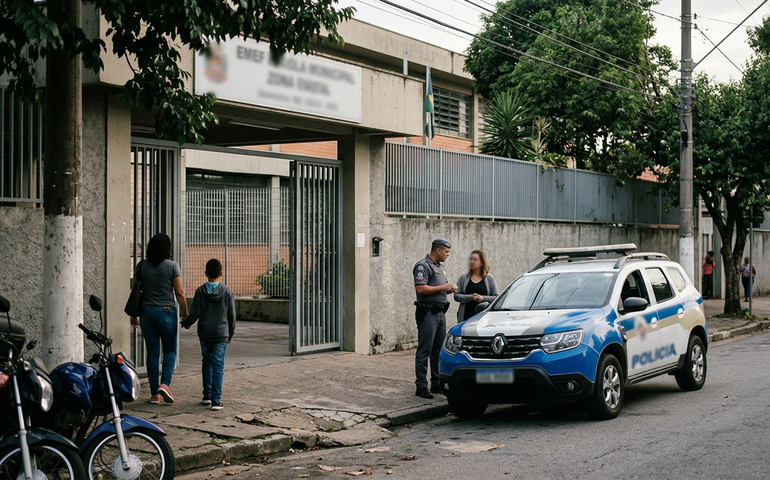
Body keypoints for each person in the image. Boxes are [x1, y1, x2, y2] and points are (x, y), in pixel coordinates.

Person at [131, 233, 189, 404]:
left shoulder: (141, 266)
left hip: (147, 312)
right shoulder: (172, 266)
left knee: (153, 352)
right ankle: (165, 384)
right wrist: (186, 314)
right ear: (167, 249)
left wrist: (134, 316)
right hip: (166, 312)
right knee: (170, 350)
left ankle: (154, 394)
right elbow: (179, 293)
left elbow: (135, 293)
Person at [181, 259, 236, 411]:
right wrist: (230, 333)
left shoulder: (200, 291)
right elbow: (231, 315)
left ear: (205, 273)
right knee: (218, 365)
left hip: (205, 333)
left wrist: (186, 323)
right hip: (221, 334)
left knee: (206, 362)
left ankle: (207, 396)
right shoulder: (227, 291)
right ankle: (216, 401)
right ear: (221, 273)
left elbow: (195, 313)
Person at [413, 239, 457, 399]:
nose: (448, 255)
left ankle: (436, 383)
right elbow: (421, 288)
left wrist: (449, 289)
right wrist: (442, 287)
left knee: (438, 350)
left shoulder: (440, 268)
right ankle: (421, 386)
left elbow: (439, 288)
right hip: (428, 313)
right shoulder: (423, 266)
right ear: (438, 250)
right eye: (446, 252)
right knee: (425, 350)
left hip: (440, 313)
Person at [454, 250, 499, 322]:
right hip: (466, 316)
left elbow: (496, 297)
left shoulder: (489, 278)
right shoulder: (463, 278)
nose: (471, 261)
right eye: (470, 259)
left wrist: (482, 298)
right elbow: (456, 296)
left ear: (482, 262)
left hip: (484, 317)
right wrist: (470, 297)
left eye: (475, 259)